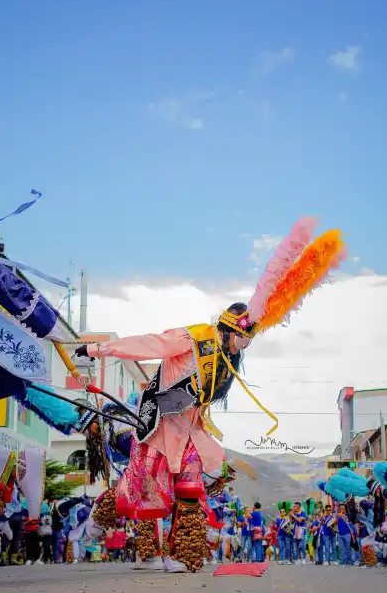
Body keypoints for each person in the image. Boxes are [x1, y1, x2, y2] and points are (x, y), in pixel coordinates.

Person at [77, 218, 347, 574]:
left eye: (251, 339)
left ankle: (182, 553)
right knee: (141, 487)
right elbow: (147, 344)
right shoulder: (192, 339)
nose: (246, 344)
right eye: (244, 337)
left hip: (189, 430)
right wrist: (98, 349)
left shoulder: (228, 361)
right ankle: (99, 524)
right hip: (157, 424)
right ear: (230, 328)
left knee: (189, 486)